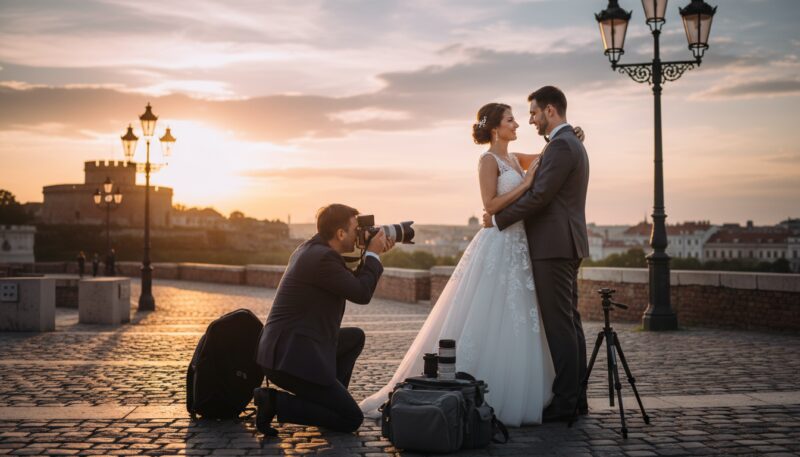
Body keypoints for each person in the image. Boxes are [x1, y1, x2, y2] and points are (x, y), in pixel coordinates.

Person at [359, 103, 585, 426]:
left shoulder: (515, 157)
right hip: (499, 241)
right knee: (491, 311)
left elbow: (550, 156)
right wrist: (524, 184)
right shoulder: (488, 161)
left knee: (521, 315)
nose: (517, 123)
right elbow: (489, 205)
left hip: (520, 243)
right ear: (495, 128)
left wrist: (573, 136)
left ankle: (532, 390)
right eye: (510, 119)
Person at [484, 86, 590, 421]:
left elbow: (541, 195)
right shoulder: (564, 144)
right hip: (563, 244)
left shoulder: (562, 145)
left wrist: (499, 219)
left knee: (560, 326)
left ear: (550, 111)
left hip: (553, 246)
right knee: (569, 323)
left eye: (533, 113)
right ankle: (576, 398)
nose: (529, 120)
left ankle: (566, 402)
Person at [253, 204, 394, 436]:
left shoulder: (312, 250)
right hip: (289, 358)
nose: (360, 233)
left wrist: (368, 254)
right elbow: (361, 293)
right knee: (351, 419)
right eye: (356, 228)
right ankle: (274, 402)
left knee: (354, 337)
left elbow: (350, 282)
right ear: (340, 233)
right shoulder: (322, 258)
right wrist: (373, 255)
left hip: (286, 349)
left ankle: (328, 402)